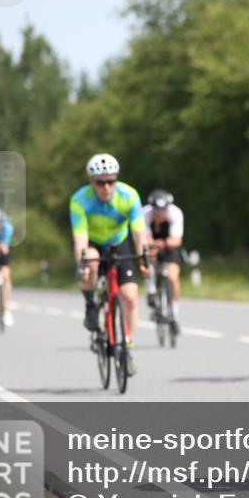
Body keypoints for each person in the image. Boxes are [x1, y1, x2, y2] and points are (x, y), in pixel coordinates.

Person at [70, 153, 149, 376]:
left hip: (118, 242)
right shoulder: (80, 200)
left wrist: (144, 259)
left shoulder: (129, 196)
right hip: (93, 242)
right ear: (91, 182)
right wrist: (82, 263)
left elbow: (139, 234)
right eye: (100, 182)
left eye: (111, 181)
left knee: (131, 297)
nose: (106, 187)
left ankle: (128, 348)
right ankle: (90, 306)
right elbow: (80, 239)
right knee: (91, 265)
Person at [143, 189, 184, 333]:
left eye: (163, 211)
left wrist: (163, 243)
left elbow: (177, 240)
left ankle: (175, 312)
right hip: (152, 244)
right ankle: (151, 290)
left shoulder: (175, 213)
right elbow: (144, 239)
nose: (160, 214)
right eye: (157, 211)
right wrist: (153, 244)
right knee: (149, 256)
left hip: (169, 245)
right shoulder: (145, 214)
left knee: (173, 277)